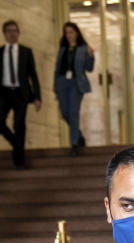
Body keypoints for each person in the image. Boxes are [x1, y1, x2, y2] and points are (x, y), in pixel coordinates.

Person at [0, 20, 41, 169]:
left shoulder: (26, 51)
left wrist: (37, 96)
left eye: (15, 31)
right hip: (3, 93)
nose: (12, 34)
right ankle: (16, 144)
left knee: (19, 125)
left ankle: (18, 160)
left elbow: (33, 75)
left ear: (18, 33)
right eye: (9, 31)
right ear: (4, 34)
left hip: (21, 93)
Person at [55, 22, 95, 156]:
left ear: (76, 33)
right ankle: (78, 135)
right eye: (66, 32)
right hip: (62, 82)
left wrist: (91, 55)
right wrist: (55, 83)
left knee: (73, 112)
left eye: (71, 32)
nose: (69, 35)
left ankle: (74, 144)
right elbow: (58, 67)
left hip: (76, 83)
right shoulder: (62, 49)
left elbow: (89, 68)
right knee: (64, 113)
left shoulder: (83, 49)